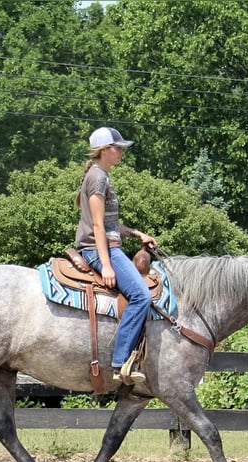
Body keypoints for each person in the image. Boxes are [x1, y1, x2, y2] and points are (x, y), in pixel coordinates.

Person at [75, 126, 158, 384]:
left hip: (108, 245)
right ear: (105, 150)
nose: (121, 152)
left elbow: (110, 223)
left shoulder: (100, 176)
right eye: (117, 147)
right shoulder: (98, 178)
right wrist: (107, 265)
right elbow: (98, 226)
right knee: (141, 296)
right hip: (101, 250)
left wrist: (136, 234)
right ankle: (121, 362)